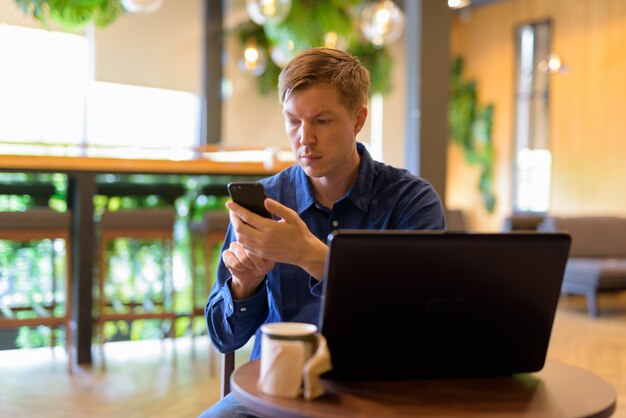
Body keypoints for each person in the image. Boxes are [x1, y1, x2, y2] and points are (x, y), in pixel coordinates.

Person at [199, 47, 446, 417]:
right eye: (293, 121)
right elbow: (224, 339)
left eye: (322, 121)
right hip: (276, 392)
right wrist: (243, 287)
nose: (304, 139)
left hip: (377, 392)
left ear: (358, 118)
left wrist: (309, 255)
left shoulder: (410, 201)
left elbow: (418, 318)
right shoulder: (266, 202)